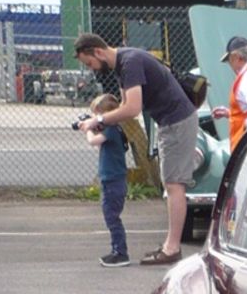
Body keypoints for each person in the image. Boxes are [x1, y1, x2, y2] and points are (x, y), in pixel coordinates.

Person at [73, 32, 198, 265]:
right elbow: (124, 105)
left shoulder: (129, 63)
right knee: (171, 182)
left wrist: (98, 121)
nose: (92, 69)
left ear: (98, 52)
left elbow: (132, 108)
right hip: (169, 122)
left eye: (90, 63)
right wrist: (99, 119)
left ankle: (172, 249)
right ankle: (170, 246)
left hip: (177, 122)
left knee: (174, 185)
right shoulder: (123, 64)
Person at [83, 93, 130, 268]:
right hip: (111, 180)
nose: (95, 118)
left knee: (112, 217)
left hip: (113, 181)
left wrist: (88, 129)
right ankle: (117, 250)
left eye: (97, 115)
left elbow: (93, 141)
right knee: (111, 216)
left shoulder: (111, 130)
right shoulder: (113, 130)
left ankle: (120, 252)